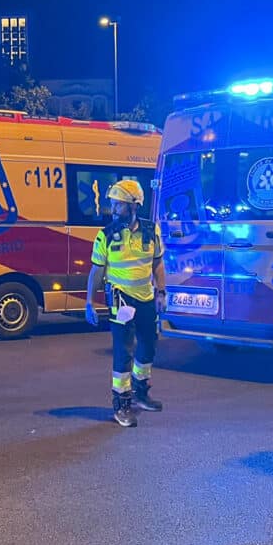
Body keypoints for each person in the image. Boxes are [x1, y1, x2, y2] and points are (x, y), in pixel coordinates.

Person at [85, 179, 166, 428]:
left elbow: (157, 264)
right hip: (120, 298)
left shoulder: (152, 230)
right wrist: (89, 301)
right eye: (113, 203)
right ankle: (121, 403)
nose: (113, 208)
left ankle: (141, 391)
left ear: (133, 206)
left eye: (118, 204)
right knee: (123, 351)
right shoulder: (105, 235)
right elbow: (97, 271)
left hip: (146, 297)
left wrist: (161, 292)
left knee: (149, 346)